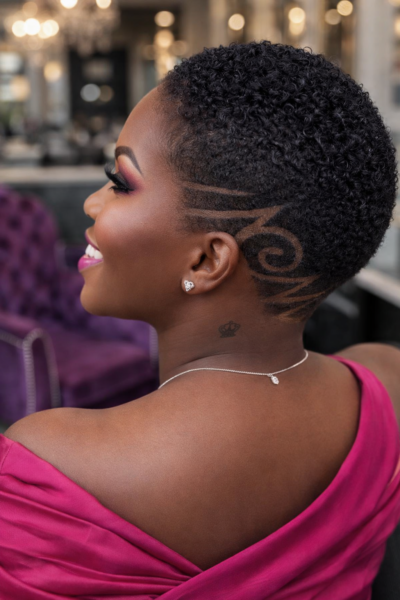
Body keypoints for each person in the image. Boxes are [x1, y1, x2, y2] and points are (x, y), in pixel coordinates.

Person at [1, 41, 400, 599]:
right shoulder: (385, 383)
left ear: (207, 260)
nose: (93, 203)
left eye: (120, 182)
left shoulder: (48, 467)